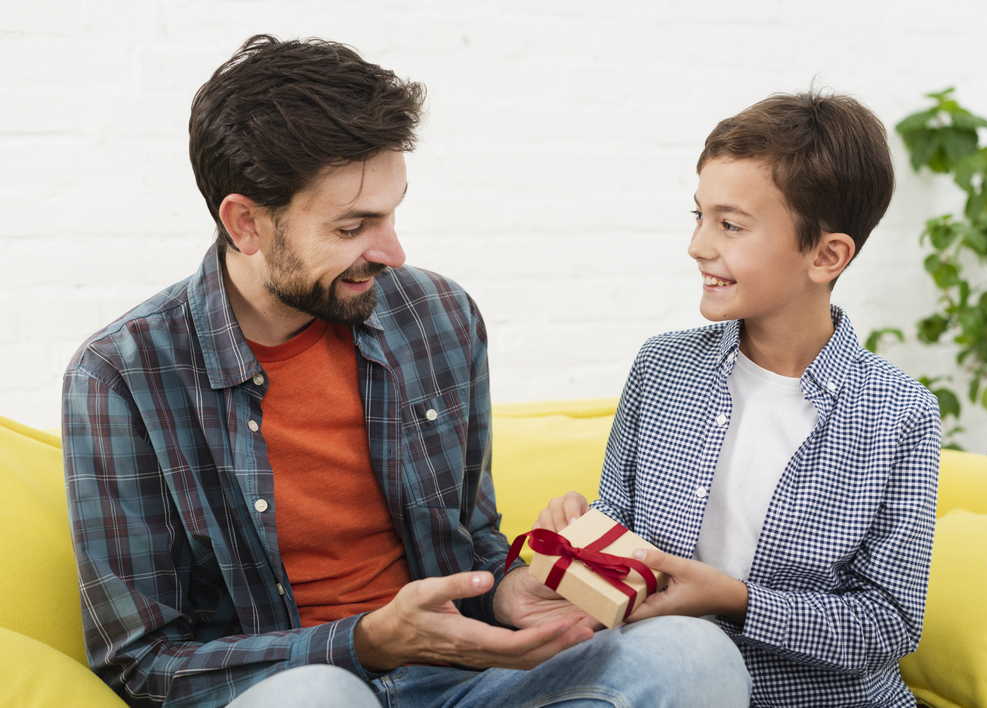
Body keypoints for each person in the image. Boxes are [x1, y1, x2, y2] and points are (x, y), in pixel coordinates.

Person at [62, 34, 750, 707]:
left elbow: (473, 539)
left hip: (461, 677)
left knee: (693, 654)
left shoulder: (438, 316)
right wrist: (363, 643)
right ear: (245, 223)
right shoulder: (121, 376)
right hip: (288, 685)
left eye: (391, 213)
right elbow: (144, 662)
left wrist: (510, 591)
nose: (391, 250)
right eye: (350, 227)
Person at [538, 92, 941, 707]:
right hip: (670, 682)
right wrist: (579, 542)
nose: (699, 245)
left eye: (730, 224)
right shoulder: (663, 368)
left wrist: (735, 598)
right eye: (698, 216)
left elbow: (886, 624)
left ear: (826, 255)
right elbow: (625, 554)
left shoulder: (899, 413)